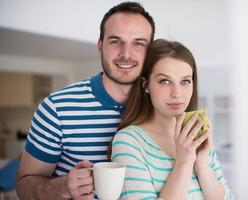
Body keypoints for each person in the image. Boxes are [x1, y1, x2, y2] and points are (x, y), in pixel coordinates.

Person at [16, 2, 155, 200]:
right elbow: (23, 187)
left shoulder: (160, 106)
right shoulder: (56, 108)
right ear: (100, 45)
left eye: (138, 43)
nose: (126, 54)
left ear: (150, 51)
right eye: (115, 41)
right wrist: (64, 186)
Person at [111, 39, 234, 199]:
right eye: (165, 81)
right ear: (146, 85)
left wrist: (202, 163)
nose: (177, 93)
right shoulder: (129, 141)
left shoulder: (195, 134)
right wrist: (184, 162)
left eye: (185, 81)